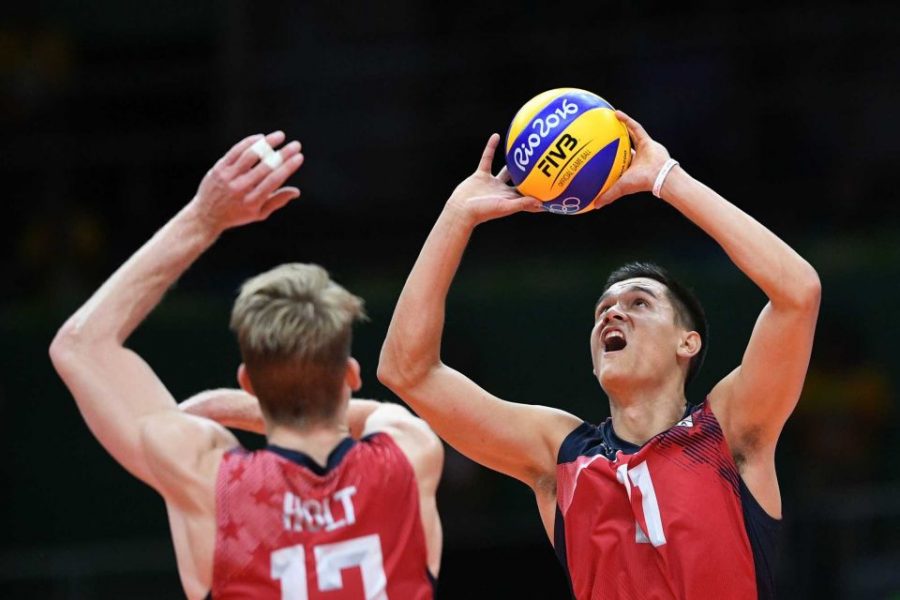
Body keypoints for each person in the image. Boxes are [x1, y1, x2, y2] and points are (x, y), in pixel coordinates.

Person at [377, 111, 820, 599]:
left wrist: (667, 180)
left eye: (639, 304)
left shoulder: (731, 430)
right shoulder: (559, 455)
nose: (613, 315)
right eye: (603, 310)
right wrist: (456, 216)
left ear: (687, 342)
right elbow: (407, 371)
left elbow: (798, 292)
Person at [49, 131, 443, 599]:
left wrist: (204, 218)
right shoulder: (410, 453)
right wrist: (245, 407)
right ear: (351, 376)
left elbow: (79, 346)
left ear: (247, 380)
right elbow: (382, 416)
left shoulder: (205, 476)